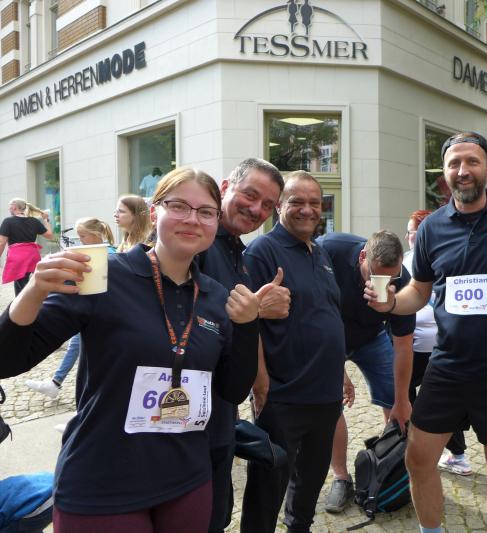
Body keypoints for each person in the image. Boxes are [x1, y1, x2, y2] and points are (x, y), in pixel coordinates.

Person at [0, 167, 260, 532]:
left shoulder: (216, 296)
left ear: (216, 221)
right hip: (103, 479)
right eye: (179, 206)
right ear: (154, 212)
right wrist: (34, 290)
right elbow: (7, 360)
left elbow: (233, 390)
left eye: (206, 212)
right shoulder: (103, 275)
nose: (192, 219)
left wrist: (247, 327)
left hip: (187, 477)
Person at [367, 131, 487, 533]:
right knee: (418, 459)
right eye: (454, 164)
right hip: (448, 364)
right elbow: (419, 292)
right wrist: (391, 303)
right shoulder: (432, 228)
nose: (463, 170)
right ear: (444, 172)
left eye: (472, 162)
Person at [240, 171, 345, 533]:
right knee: (268, 487)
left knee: (310, 481)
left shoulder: (322, 252)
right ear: (279, 206)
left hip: (325, 395)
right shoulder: (262, 251)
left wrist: (341, 371)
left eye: (314, 203)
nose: (307, 210)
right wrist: (260, 381)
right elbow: (247, 322)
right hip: (283, 396)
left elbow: (327, 313)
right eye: (297, 202)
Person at [193, 158, 289, 533]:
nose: (256, 209)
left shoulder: (237, 250)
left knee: (217, 512)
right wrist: (256, 311)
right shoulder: (199, 241)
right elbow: (176, 311)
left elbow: (239, 331)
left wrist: (259, 383)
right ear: (224, 187)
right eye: (250, 195)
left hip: (221, 410)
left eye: (268, 205)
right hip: (184, 415)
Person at [316, 230, 415, 512]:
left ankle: (392, 469)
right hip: (328, 338)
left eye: (392, 277)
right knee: (330, 403)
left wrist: (402, 399)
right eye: (376, 275)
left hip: (371, 337)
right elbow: (314, 315)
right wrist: (339, 371)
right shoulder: (329, 252)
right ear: (363, 257)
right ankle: (341, 477)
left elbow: (403, 346)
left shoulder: (402, 280)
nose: (384, 282)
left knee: (398, 401)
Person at [403, 210, 472, 476]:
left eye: (414, 232)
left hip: (433, 345)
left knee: (435, 399)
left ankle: (449, 453)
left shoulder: (430, 256)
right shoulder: (409, 259)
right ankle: (449, 453)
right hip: (421, 343)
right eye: (409, 232)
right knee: (422, 396)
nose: (410, 237)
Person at [25, 217, 116, 400]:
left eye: (83, 236)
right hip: (89, 309)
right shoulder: (96, 252)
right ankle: (56, 382)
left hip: (99, 310)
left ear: (95, 234)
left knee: (83, 349)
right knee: (76, 345)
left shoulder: (108, 254)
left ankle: (60, 384)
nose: (80, 240)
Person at [0, 198, 53, 295]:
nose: (9, 209)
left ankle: (29, 302)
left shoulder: (8, 221)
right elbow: (49, 235)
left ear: (14, 207)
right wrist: (46, 220)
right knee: (23, 283)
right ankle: (23, 300)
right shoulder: (34, 221)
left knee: (22, 287)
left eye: (10, 207)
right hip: (33, 256)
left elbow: (1, 243)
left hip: (18, 257)